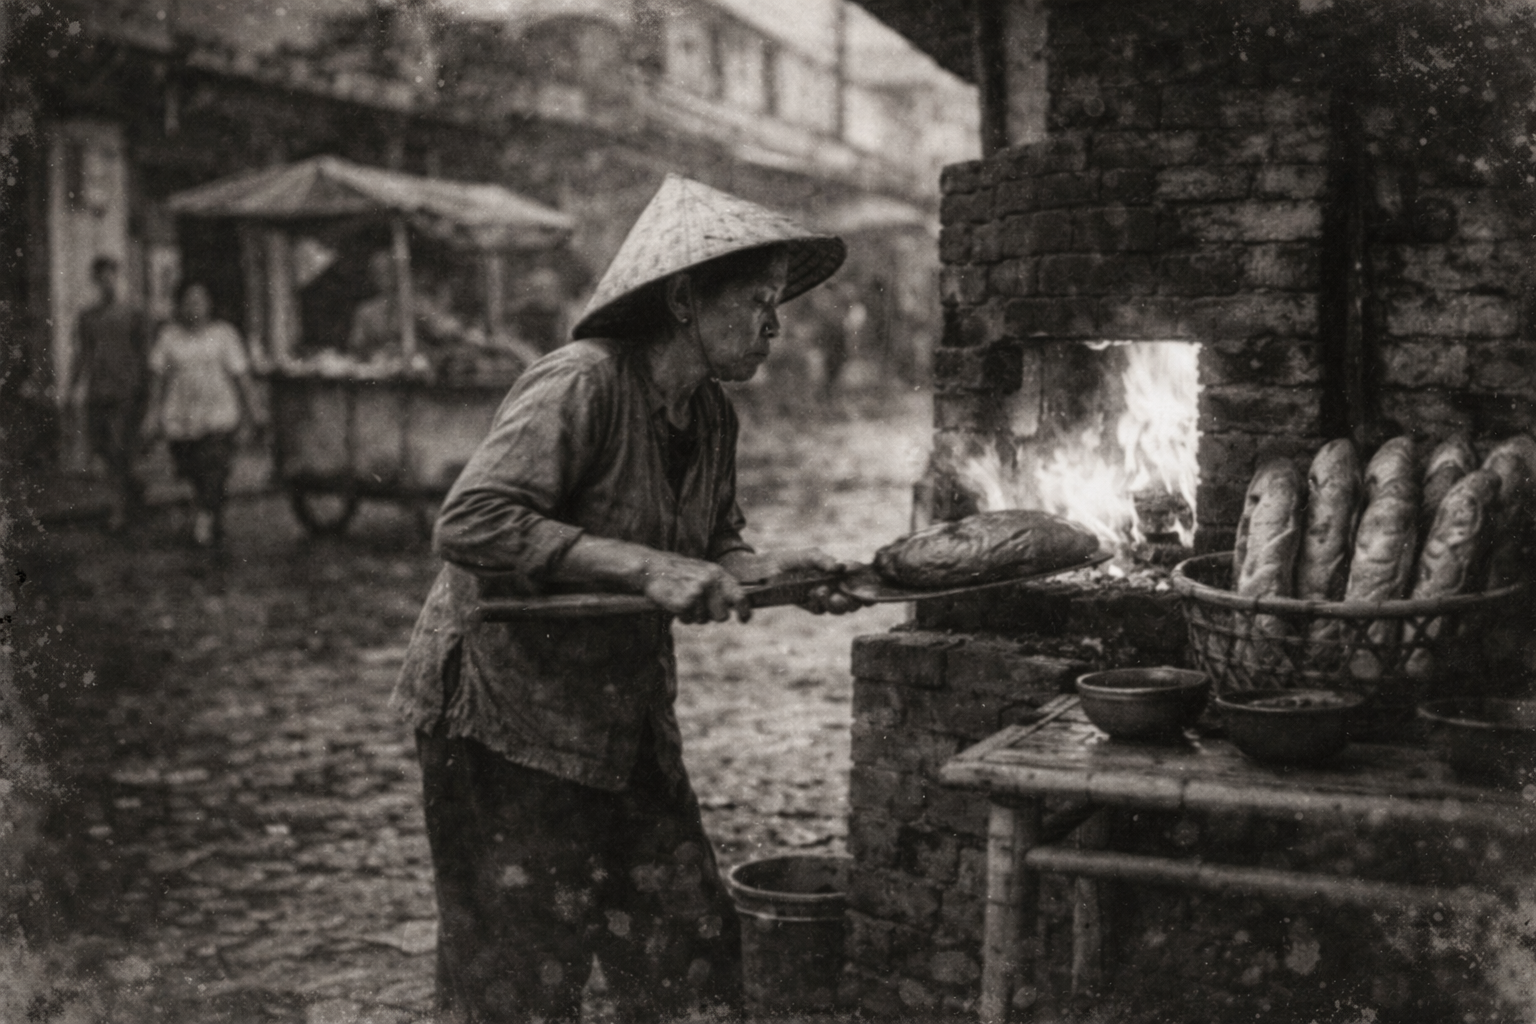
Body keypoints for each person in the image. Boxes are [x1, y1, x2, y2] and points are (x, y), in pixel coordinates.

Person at [393, 174, 860, 1023]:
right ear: (683, 300)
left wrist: (778, 574)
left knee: (688, 965)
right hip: (501, 719)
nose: (775, 326)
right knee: (521, 985)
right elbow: (470, 521)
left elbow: (712, 547)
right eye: (756, 301)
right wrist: (645, 570)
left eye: (777, 304)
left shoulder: (710, 416)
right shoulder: (582, 383)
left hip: (622, 715)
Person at [141, 282, 265, 547]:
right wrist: (152, 415)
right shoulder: (169, 337)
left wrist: (254, 410)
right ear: (179, 305)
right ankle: (209, 513)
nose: (194, 307)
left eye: (199, 301)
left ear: (209, 304)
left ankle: (205, 518)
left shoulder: (224, 335)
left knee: (215, 466)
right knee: (192, 470)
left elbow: (241, 376)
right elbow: (157, 380)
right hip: (181, 417)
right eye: (188, 301)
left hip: (218, 414)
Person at [69, 255, 150, 531]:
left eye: (111, 276)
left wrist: (146, 392)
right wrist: (71, 388)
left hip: (126, 393)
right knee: (104, 450)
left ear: (118, 277)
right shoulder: (87, 317)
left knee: (119, 449)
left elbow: (145, 354)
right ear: (95, 281)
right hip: (98, 393)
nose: (107, 283)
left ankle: (119, 512)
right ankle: (134, 488)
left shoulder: (133, 313)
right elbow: (81, 354)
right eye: (101, 278)